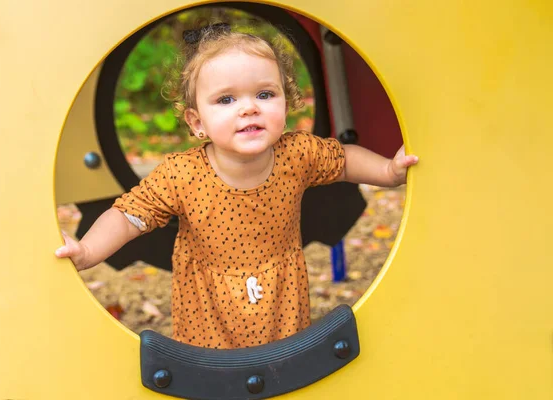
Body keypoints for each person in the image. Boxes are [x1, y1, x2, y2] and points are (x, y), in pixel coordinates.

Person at [55, 24, 419, 349]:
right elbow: (128, 216)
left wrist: (389, 171)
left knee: (285, 365)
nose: (249, 108)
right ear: (198, 122)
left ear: (286, 101)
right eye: (226, 100)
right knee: (214, 376)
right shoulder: (182, 174)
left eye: (264, 94)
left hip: (282, 294)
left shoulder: (296, 154)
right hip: (208, 306)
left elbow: (344, 160)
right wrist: (88, 251)